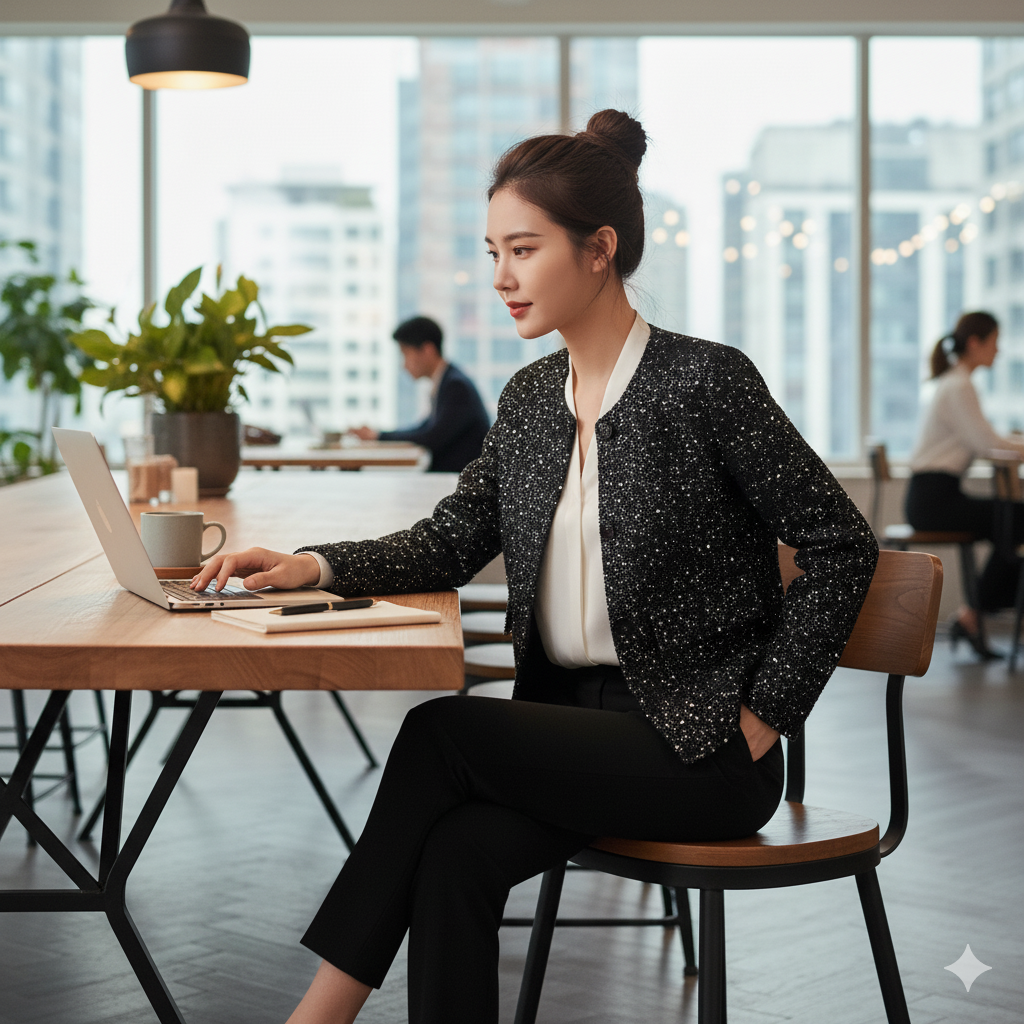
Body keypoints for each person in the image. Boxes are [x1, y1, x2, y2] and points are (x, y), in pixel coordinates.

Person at [192, 110, 879, 1024]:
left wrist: (765, 714)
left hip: (699, 745)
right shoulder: (527, 401)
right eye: (491, 253)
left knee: (440, 736)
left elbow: (842, 544)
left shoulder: (706, 384)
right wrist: (312, 565)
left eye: (522, 250)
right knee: (454, 855)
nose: (502, 278)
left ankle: (316, 1016)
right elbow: (448, 540)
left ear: (599, 250)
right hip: (566, 733)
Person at [905, 311, 1024, 659]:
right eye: (995, 343)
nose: (998, 352)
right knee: (1014, 520)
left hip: (934, 496)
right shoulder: (959, 385)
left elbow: (986, 441)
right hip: (933, 501)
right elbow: (985, 443)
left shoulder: (954, 382)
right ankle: (975, 614)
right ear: (975, 343)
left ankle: (975, 614)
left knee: (1011, 521)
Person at [350, 315, 490, 473]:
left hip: (459, 483)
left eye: (405, 354)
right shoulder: (446, 381)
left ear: (427, 350)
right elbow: (423, 429)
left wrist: (378, 437)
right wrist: (378, 435)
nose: (404, 365)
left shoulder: (456, 386)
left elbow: (431, 438)